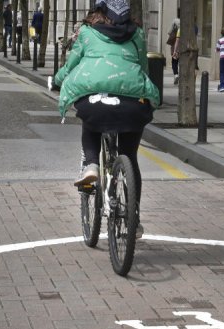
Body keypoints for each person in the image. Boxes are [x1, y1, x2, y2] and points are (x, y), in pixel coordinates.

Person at [53, 0, 160, 238]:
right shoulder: (137, 33)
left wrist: (57, 80)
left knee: (90, 122)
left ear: (98, 11)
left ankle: (91, 163)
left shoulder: (87, 32)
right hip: (133, 103)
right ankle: (134, 218)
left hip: (96, 101)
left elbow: (72, 64)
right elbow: (143, 65)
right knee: (130, 157)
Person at [167, 17, 180, 85]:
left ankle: (176, 74)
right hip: (184, 46)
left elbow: (169, 32)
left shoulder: (175, 21)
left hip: (176, 45)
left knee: (174, 61)